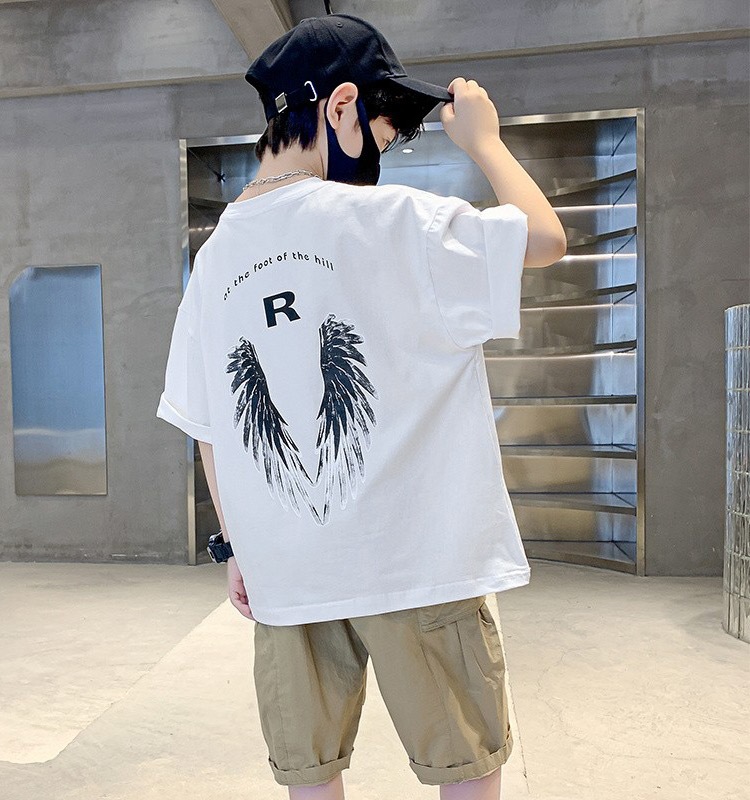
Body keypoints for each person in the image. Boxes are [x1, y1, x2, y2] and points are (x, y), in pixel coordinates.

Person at [156, 12, 566, 800]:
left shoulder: (215, 261)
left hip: (288, 573)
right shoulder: (395, 220)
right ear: (340, 106)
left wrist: (238, 547)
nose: (381, 157)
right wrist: (484, 142)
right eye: (382, 135)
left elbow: (208, 425)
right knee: (464, 765)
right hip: (419, 563)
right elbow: (545, 238)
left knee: (311, 777)